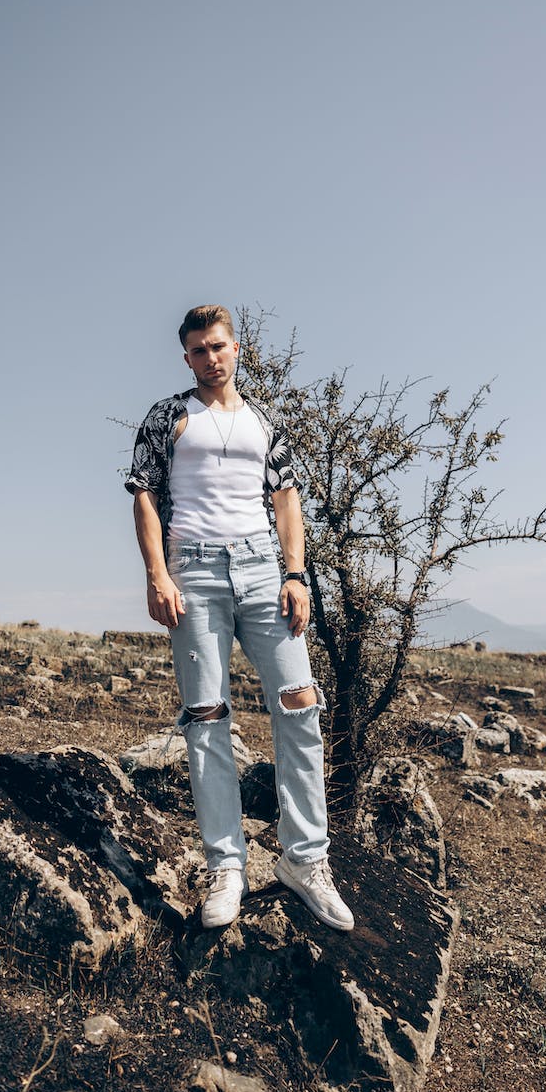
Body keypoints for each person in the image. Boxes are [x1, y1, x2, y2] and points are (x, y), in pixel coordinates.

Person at [125, 304, 353, 932]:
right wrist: (157, 574)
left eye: (218, 346)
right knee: (207, 716)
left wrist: (296, 573)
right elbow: (143, 494)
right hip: (193, 571)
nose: (210, 358)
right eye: (198, 350)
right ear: (187, 358)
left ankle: (305, 861)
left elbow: (286, 497)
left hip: (261, 569)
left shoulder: (262, 422)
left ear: (236, 349)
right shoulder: (167, 417)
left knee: (300, 701)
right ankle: (228, 867)